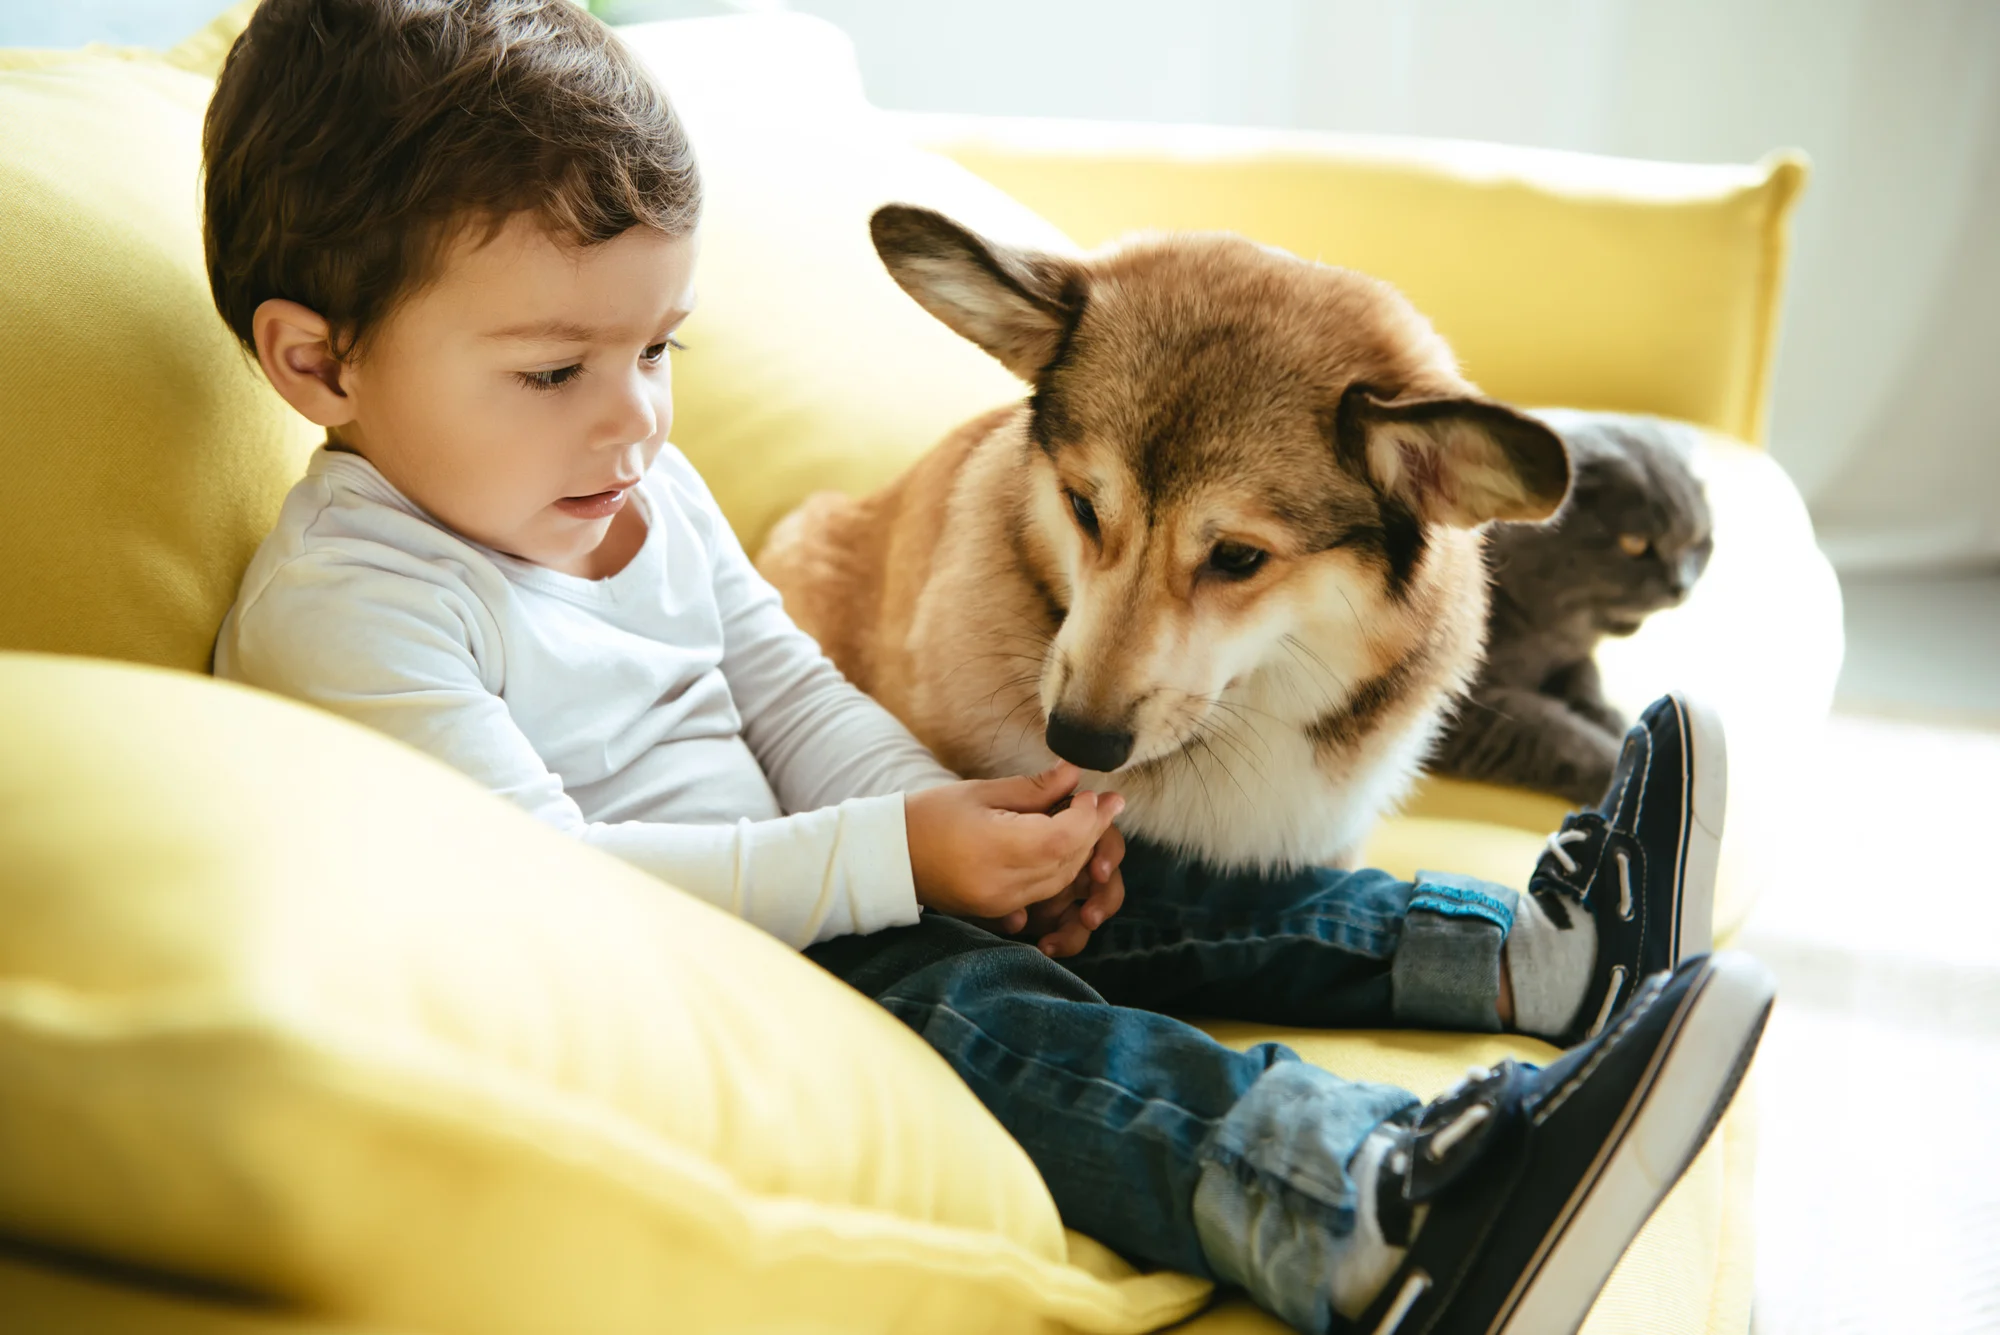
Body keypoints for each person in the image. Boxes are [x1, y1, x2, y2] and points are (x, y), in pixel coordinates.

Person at [203, 4, 1774, 1331]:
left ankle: (1529, 955)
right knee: (1016, 1023)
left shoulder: (626, 486)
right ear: (319, 358)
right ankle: (1364, 1202)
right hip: (694, 973)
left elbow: (792, 696)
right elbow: (555, 883)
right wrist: (899, 866)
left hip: (826, 890)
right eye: (557, 368)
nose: (635, 420)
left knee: (1146, 877)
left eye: (657, 350)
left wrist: (968, 842)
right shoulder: (359, 604)